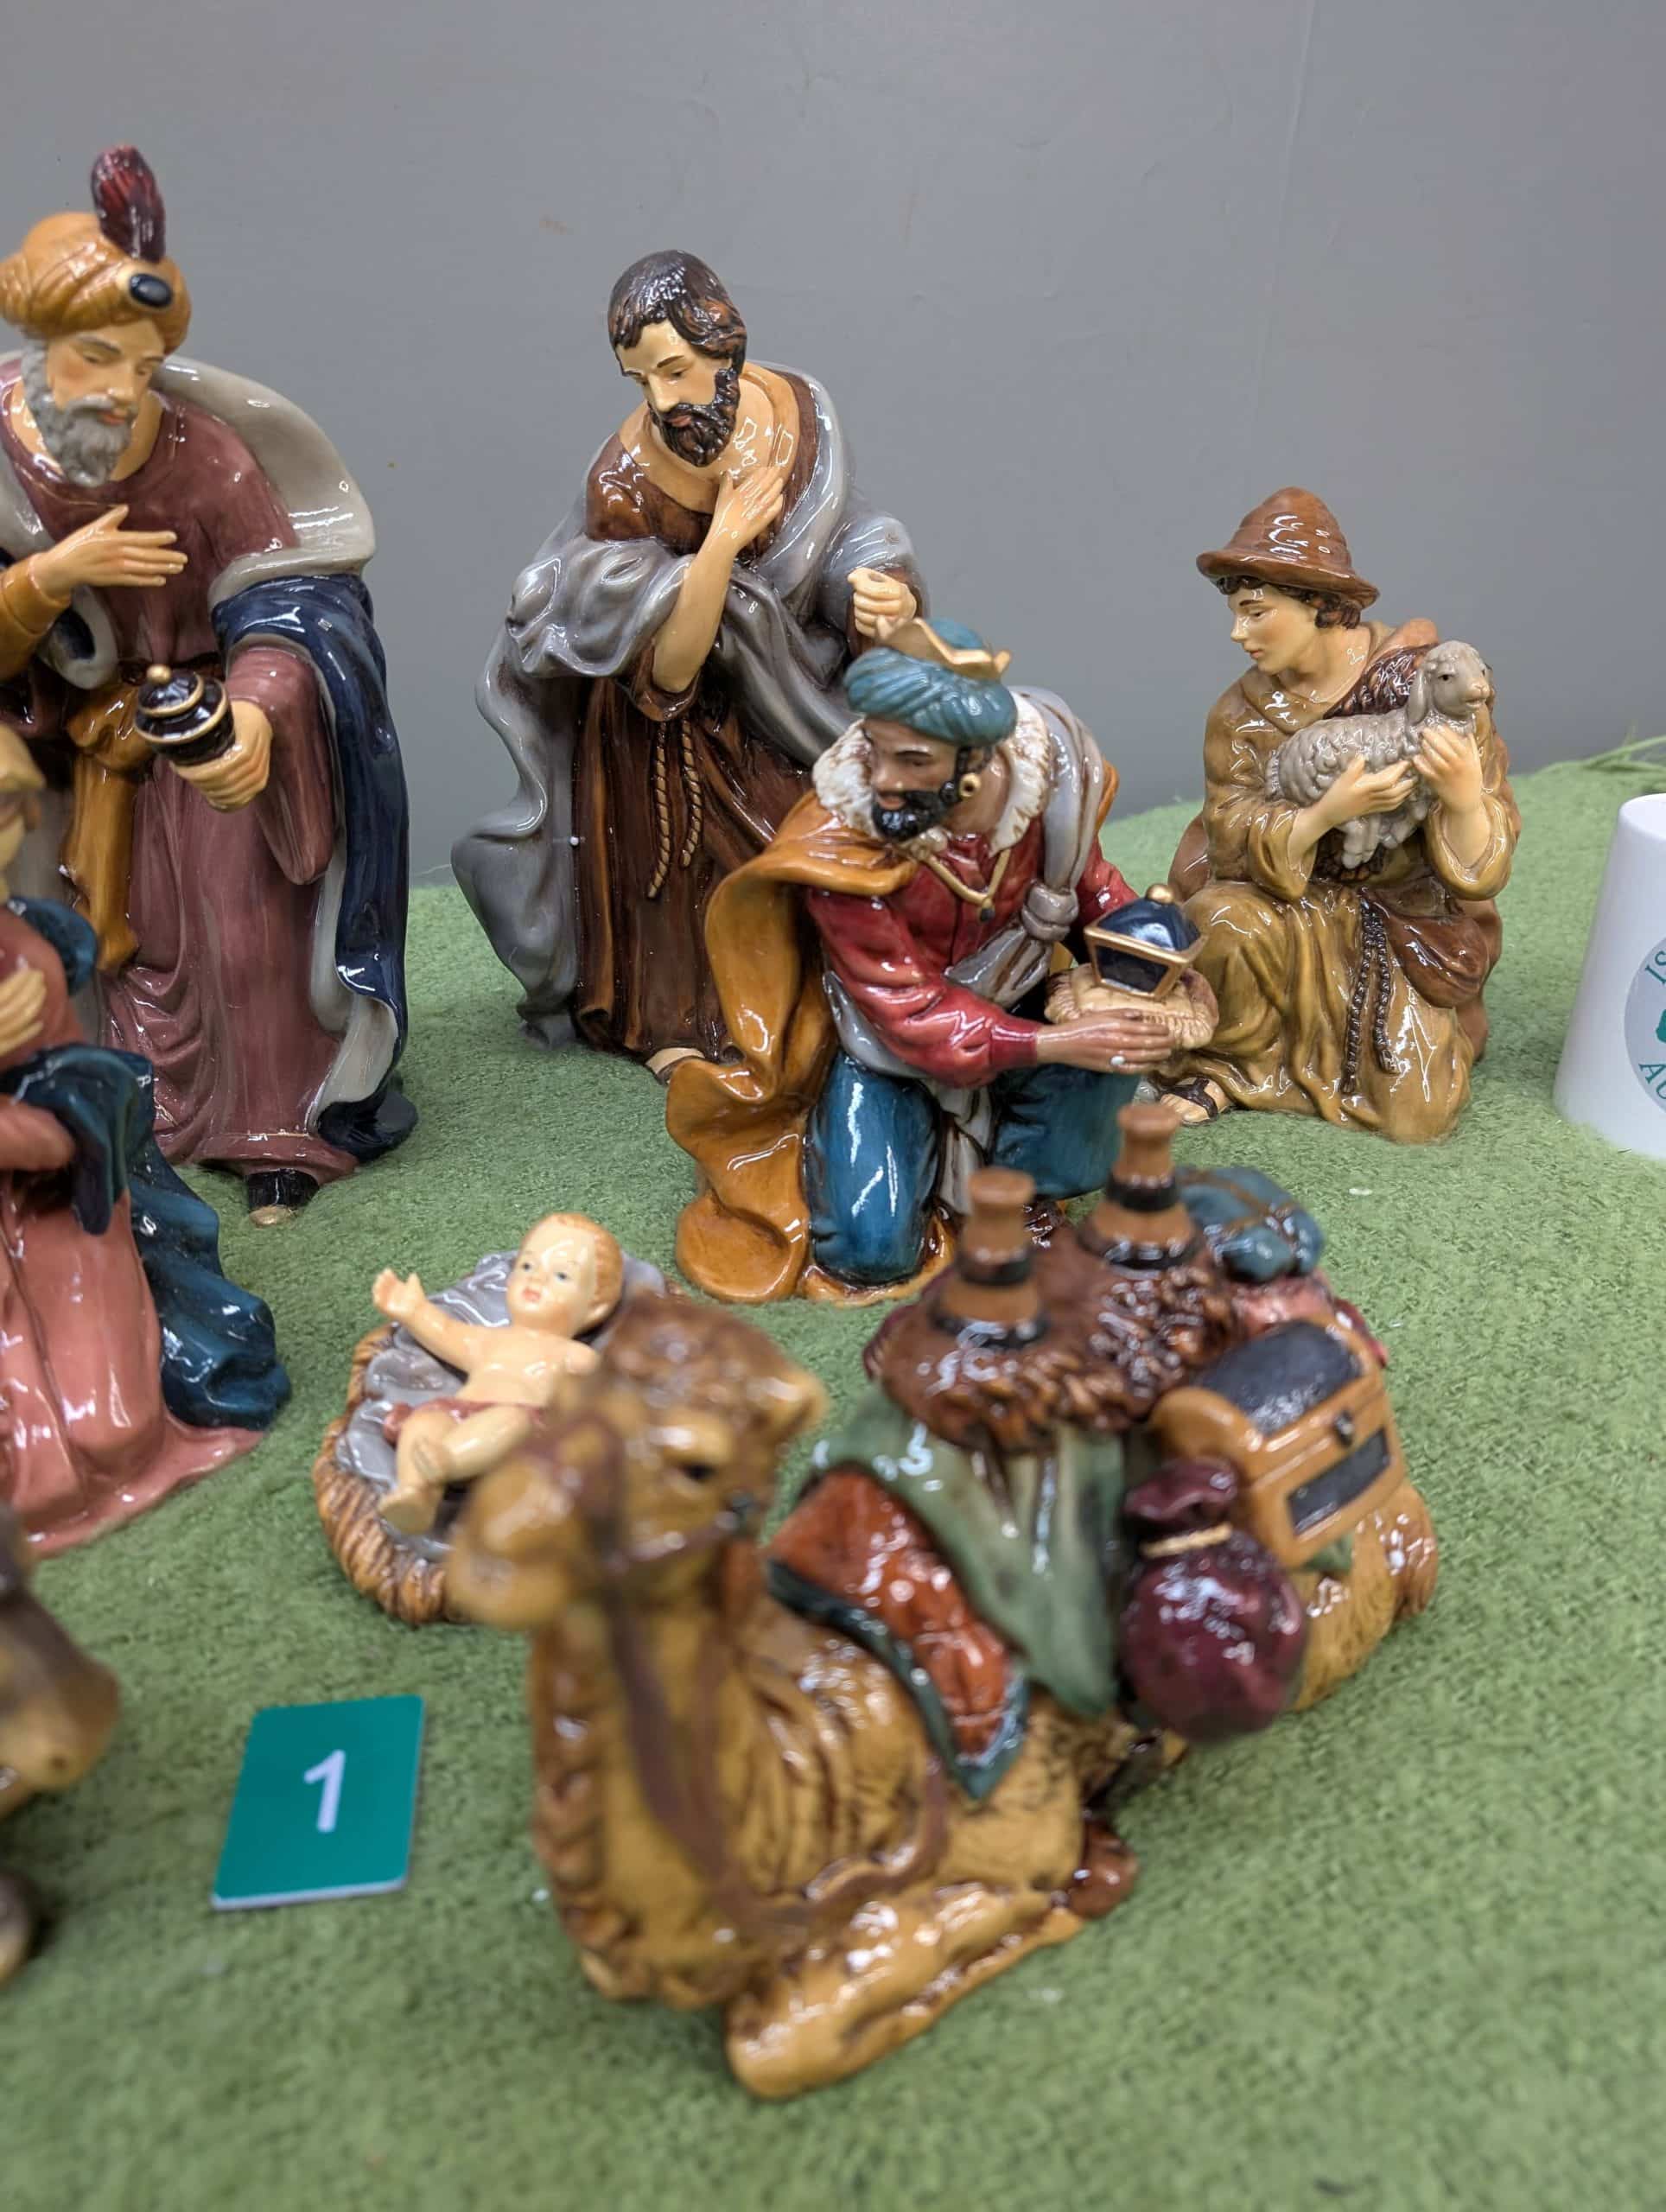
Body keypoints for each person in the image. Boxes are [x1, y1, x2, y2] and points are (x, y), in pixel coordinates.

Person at [0, 147, 412, 1223]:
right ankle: (73, 1103)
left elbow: (293, 603)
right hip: (43, 741)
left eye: (143, 366)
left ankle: (268, 1124)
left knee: (243, 922)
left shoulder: (210, 461)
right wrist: (50, 577)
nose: (119, 390)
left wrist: (258, 717)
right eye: (94, 359)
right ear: (39, 346)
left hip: (193, 725)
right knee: (45, 929)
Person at [452, 250, 927, 1071]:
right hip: (667, 737)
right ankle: (678, 1026)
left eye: (675, 370)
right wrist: (721, 543)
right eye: (641, 381)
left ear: (724, 346)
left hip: (790, 700)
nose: (664, 401)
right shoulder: (625, 486)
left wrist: (878, 589)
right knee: (696, 893)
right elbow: (669, 670)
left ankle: (822, 1003)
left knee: (828, 853)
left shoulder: (799, 411)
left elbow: (852, 533)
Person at [667, 616, 1202, 1302]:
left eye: (914, 761)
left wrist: (1157, 965)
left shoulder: (1050, 787)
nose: (885, 781)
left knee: (1116, 1036)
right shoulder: (845, 844)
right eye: (875, 750)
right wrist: (1050, 1043)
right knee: (870, 1251)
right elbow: (905, 1008)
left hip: (1016, 991)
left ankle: (1027, 1189)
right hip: (884, 1043)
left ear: (976, 762)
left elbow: (1085, 885)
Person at [0, 721, 286, 1554]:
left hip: (49, 1207)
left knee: (111, 1430)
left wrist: (46, 1129)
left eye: (6, 812)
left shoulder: (27, 956)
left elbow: (73, 1106)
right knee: (36, 1474)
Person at [1159, 487, 1518, 1141]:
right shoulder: (1240, 715)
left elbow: (1483, 866)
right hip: (1282, 909)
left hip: (1394, 917)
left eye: (1256, 613)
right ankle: (1232, 1066)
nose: (1239, 634)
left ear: (1317, 605)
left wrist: (1464, 796)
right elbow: (1229, 838)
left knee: (1418, 1114)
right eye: (1236, 614)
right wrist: (1327, 813)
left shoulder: (1433, 683)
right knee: (1219, 920)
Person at [370, 1214, 623, 1535]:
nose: (536, 1279)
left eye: (561, 1275)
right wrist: (414, 1311)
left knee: (509, 1422)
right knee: (422, 1423)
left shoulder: (574, 1355)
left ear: (593, 1307)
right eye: (527, 1266)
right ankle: (416, 1493)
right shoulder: (490, 1340)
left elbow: (608, 1392)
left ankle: (447, 1462)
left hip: (516, 1429)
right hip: (455, 1413)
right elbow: (447, 1332)